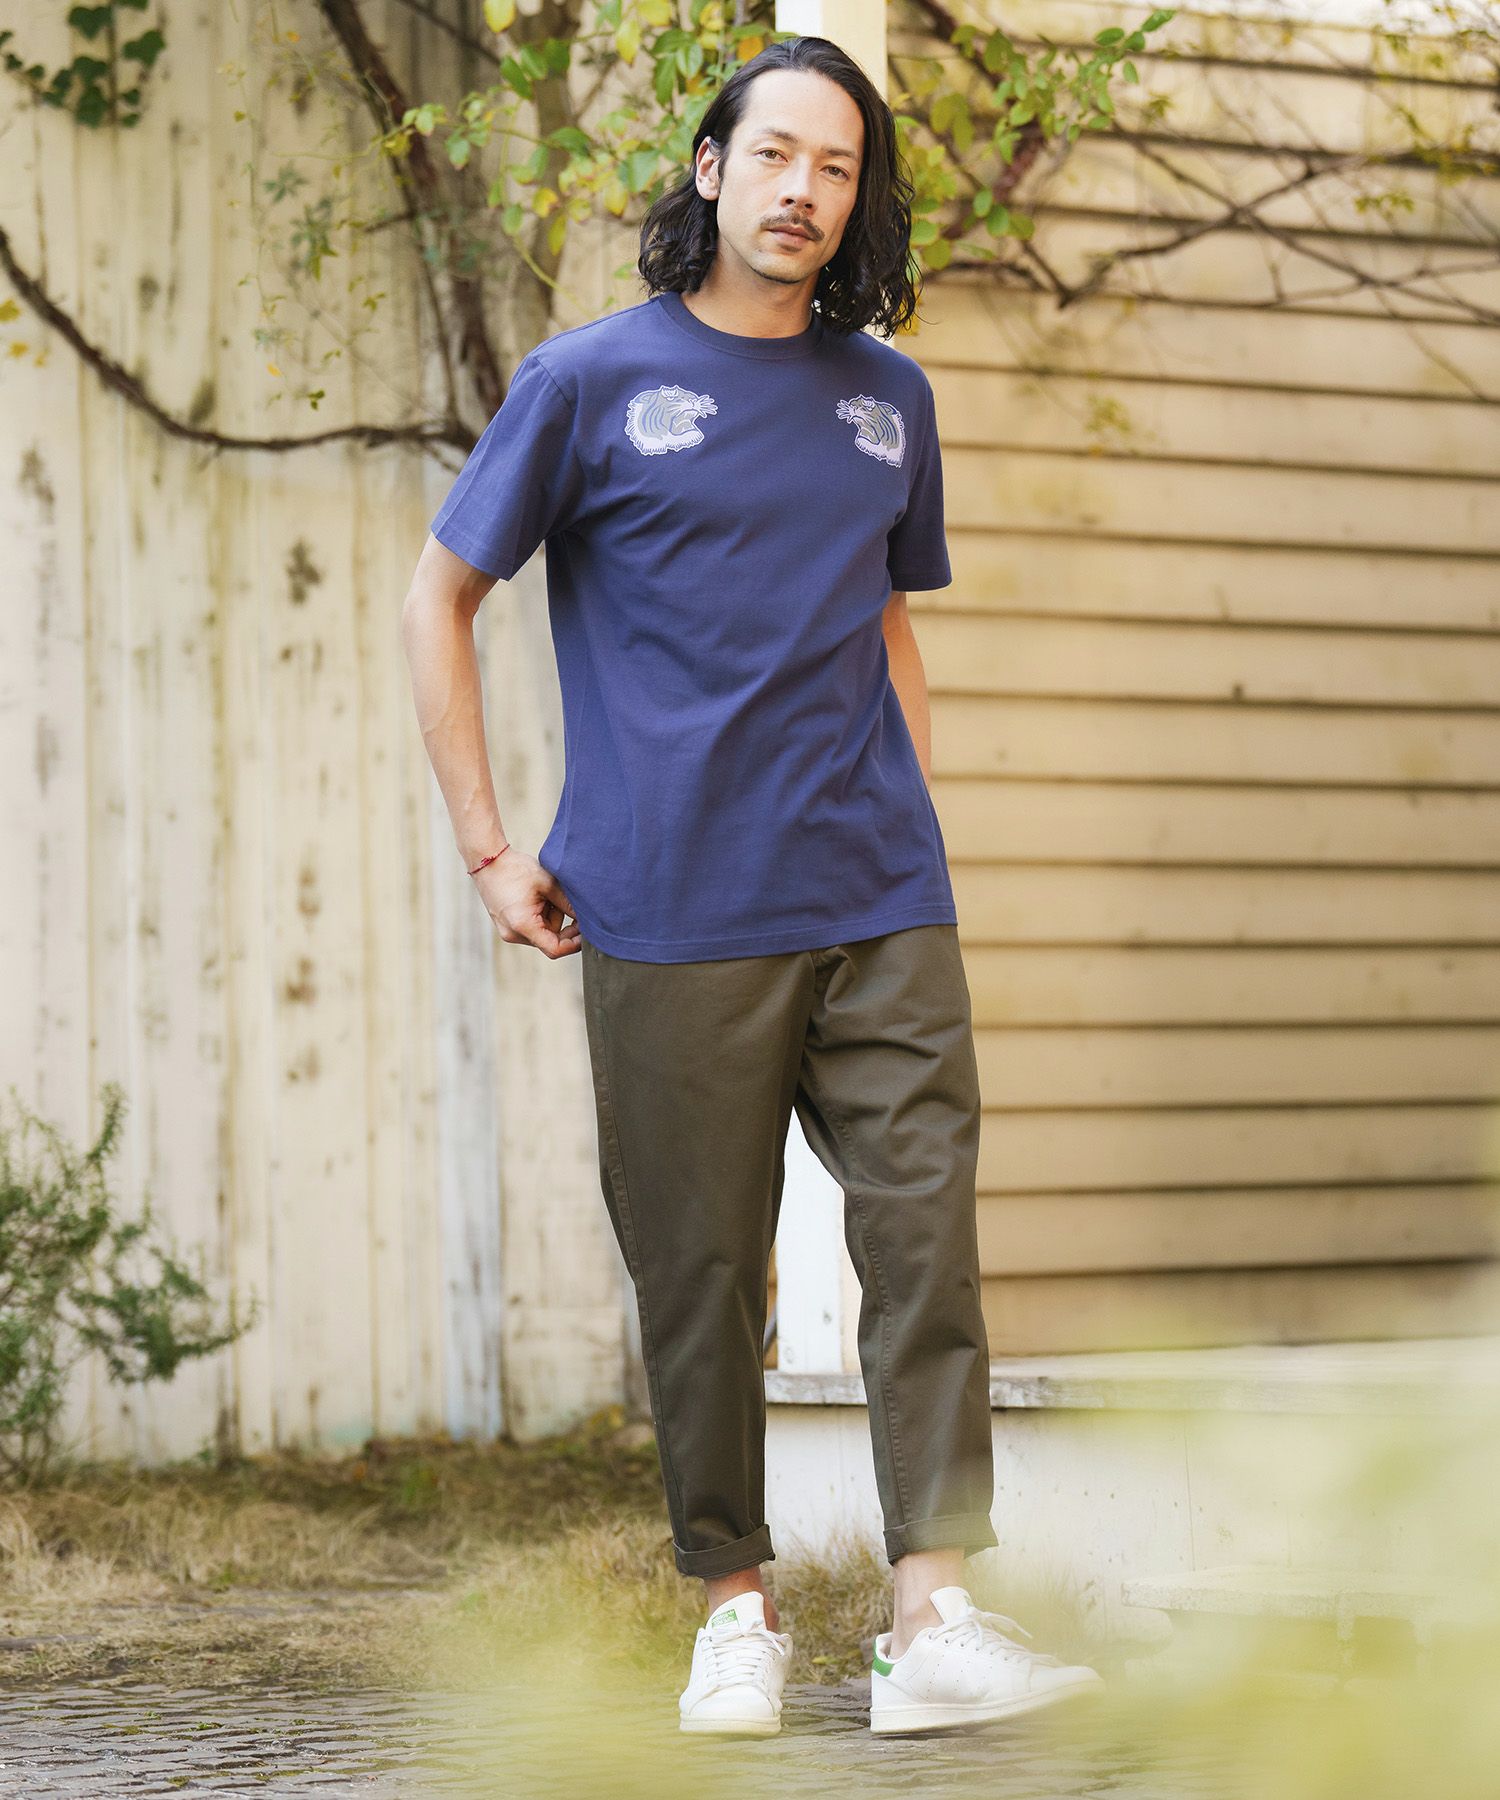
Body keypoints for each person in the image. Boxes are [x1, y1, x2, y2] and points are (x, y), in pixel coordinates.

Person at [402, 32, 1104, 1738]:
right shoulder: (585, 381)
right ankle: (735, 1612)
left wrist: (916, 821)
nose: (804, 189)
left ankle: (931, 1619)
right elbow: (440, 599)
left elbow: (886, 620)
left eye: (837, 166)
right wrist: (493, 848)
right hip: (669, 907)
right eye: (775, 154)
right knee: (702, 1273)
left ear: (858, 200)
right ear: (711, 170)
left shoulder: (888, 401)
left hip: (880, 900)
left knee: (925, 1237)